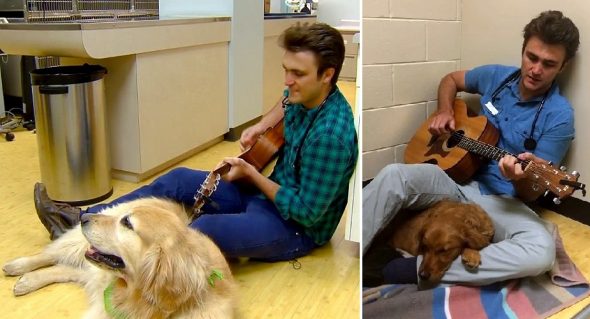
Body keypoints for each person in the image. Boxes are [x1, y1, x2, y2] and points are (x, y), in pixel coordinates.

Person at [35, 22, 358, 262]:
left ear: (327, 75)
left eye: (298, 74)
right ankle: (80, 220)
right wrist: (261, 126)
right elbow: (286, 100)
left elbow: (306, 213)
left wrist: (251, 175)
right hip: (265, 195)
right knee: (177, 181)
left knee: (202, 231)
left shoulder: (330, 136)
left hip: (295, 227)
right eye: (285, 70)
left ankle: (103, 257)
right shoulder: (304, 92)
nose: (288, 81)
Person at [363, 10, 579, 287]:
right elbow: (451, 79)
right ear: (523, 50)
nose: (536, 70)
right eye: (531, 57)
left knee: (540, 251)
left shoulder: (559, 115)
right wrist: (444, 111)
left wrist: (520, 178)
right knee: (394, 174)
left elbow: (534, 190)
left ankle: (406, 270)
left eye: (548, 64)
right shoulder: (498, 77)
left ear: (563, 66)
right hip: (454, 179)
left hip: (502, 201)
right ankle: (358, 258)